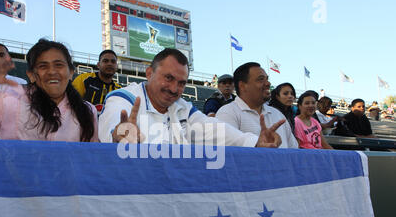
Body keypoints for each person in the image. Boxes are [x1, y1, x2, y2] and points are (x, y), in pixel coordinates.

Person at [98, 48, 284, 148]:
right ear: (149, 73)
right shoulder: (123, 98)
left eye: (181, 83)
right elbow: (113, 128)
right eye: (168, 78)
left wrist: (255, 141)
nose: (174, 89)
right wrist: (119, 135)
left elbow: (216, 130)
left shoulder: (182, 107)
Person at [0, 39, 98, 142]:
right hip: (17, 185)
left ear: (71, 72)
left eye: (58, 65)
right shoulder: (9, 101)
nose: (52, 72)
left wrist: (117, 140)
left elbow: (93, 156)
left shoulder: (87, 110)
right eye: (43, 66)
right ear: (31, 75)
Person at [216, 63, 298, 149]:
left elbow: (294, 152)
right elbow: (227, 153)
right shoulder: (227, 113)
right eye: (261, 79)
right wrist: (256, 144)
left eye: (267, 79)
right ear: (242, 86)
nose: (268, 83)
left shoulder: (278, 115)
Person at [72, 49, 122, 114]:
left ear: (116, 66)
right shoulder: (83, 79)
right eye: (105, 61)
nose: (109, 64)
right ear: (98, 65)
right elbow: (71, 104)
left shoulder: (119, 90)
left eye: (113, 62)